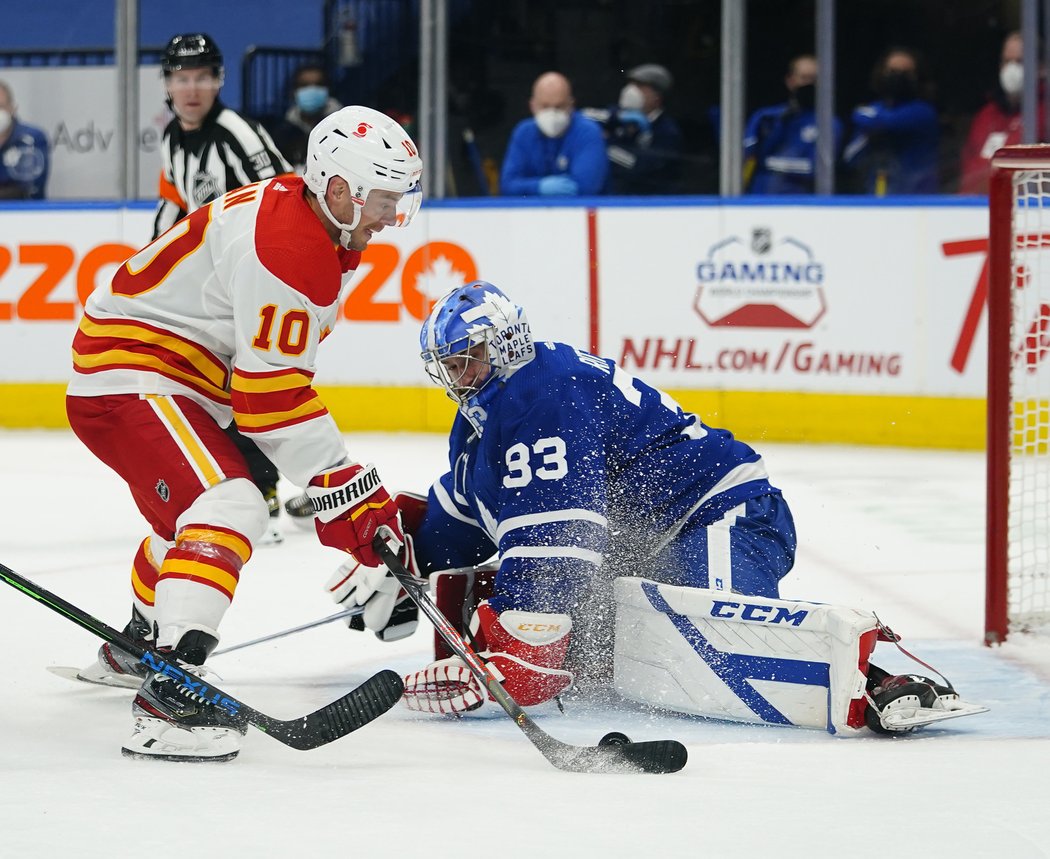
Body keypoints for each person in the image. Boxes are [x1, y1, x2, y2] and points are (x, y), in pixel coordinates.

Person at [326, 281, 987, 735]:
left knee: (718, 631)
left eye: (465, 359)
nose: (455, 375)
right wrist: (403, 551)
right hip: (652, 535)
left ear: (502, 345)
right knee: (632, 645)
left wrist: (526, 644)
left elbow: (557, 527)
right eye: (448, 363)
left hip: (725, 509)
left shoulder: (541, 393)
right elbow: (465, 509)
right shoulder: (484, 416)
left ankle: (883, 676)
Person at [65, 105, 423, 761]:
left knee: (191, 520)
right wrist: (354, 500)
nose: (390, 217)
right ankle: (170, 691)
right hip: (134, 371)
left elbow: (267, 384)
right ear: (339, 187)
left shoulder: (318, 229)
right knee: (229, 502)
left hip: (176, 375)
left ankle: (141, 638)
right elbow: (271, 399)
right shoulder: (291, 246)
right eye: (383, 200)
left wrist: (349, 504)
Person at [154, 33, 300, 540]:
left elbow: (285, 191)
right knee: (220, 381)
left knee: (257, 381)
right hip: (214, 285)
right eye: (181, 78)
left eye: (201, 77)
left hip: (255, 276)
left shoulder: (236, 131)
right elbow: (174, 203)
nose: (191, 88)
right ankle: (251, 482)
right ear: (168, 84)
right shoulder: (173, 136)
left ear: (218, 81)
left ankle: (265, 485)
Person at [842, 47, 939, 195]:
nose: (898, 77)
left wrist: (865, 116)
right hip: (878, 192)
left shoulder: (922, 111)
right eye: (892, 71)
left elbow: (877, 120)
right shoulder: (877, 107)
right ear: (881, 73)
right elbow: (850, 156)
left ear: (917, 77)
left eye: (906, 73)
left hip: (916, 197)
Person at [743, 54, 842, 194]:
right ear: (790, 81)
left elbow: (817, 169)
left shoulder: (829, 123)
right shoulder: (766, 117)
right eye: (804, 78)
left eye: (814, 79)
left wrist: (769, 163)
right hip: (763, 200)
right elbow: (746, 156)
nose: (808, 84)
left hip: (806, 203)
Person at [958, 32, 1043, 195]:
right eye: (1007, 61)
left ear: (1040, 67)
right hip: (977, 208)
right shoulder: (985, 115)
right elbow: (968, 169)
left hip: (1027, 212)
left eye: (1020, 61)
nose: (1012, 69)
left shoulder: (1044, 115)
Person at [499, 71, 608, 197]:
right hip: (533, 213)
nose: (552, 113)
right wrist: (538, 187)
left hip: (579, 214)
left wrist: (525, 187)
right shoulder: (523, 133)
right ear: (532, 106)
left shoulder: (588, 132)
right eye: (545, 107)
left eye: (559, 106)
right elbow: (507, 185)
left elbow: (586, 187)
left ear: (571, 105)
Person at [586, 63, 684, 195]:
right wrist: (615, 117)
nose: (631, 91)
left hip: (650, 203)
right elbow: (582, 117)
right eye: (631, 84)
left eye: (640, 86)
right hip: (614, 199)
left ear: (657, 97)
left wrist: (604, 143)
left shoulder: (667, 132)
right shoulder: (619, 115)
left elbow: (636, 165)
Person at [270, 62, 343, 173]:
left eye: (318, 84)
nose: (312, 90)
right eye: (305, 85)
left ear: (328, 89)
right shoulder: (282, 134)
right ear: (294, 91)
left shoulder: (343, 126)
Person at [0, 80, 49, 200]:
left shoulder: (31, 139)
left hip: (25, 213)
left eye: (1, 106)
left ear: (12, 108)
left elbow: (27, 187)